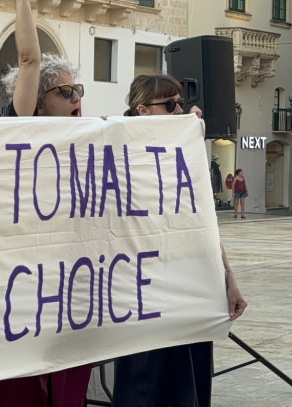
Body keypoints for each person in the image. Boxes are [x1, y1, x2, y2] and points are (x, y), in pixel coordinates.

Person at [113, 74, 247, 407]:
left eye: (180, 104)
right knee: (146, 383)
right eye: (170, 105)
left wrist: (228, 279)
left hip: (190, 286)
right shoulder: (117, 153)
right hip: (142, 292)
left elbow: (203, 223)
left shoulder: (186, 155)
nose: (179, 111)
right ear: (143, 110)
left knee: (190, 384)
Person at [0, 53, 90, 407]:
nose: (76, 99)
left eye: (78, 90)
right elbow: (28, 60)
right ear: (38, 105)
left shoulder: (93, 143)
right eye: (65, 91)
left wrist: (184, 128)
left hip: (70, 300)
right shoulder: (17, 139)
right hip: (19, 299)